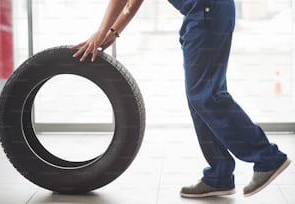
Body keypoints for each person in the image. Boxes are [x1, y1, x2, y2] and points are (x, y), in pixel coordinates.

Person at [72, 0, 291, 198]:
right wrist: (113, 31)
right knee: (200, 97)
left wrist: (101, 32)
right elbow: (131, 3)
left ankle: (267, 157)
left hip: (207, 11)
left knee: (206, 96)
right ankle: (220, 174)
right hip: (204, 13)